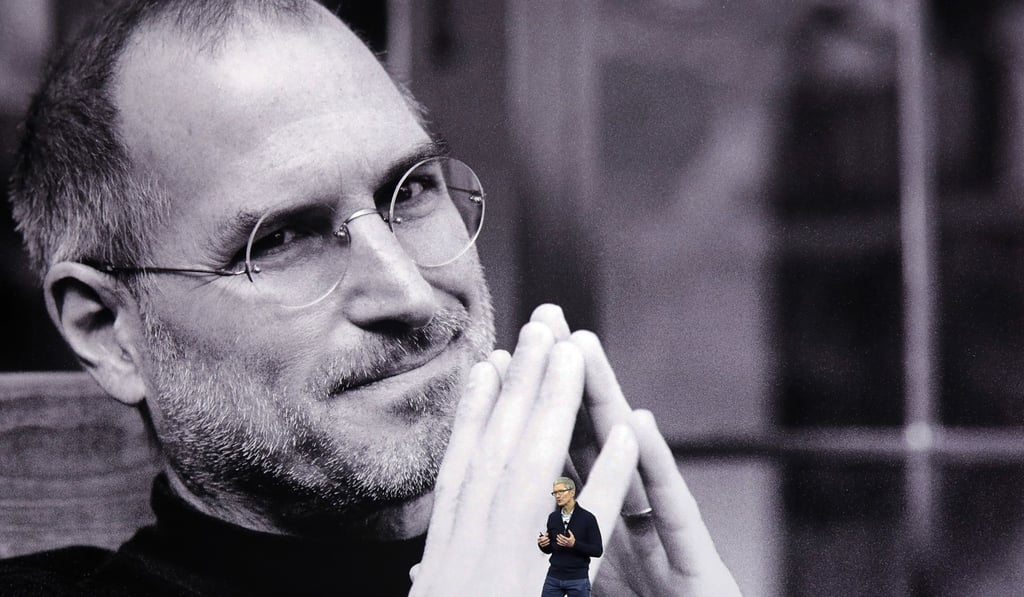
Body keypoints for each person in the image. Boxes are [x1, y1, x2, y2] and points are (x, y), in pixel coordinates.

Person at [0, 1, 742, 595]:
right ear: (107, 329)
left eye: (410, 190)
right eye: (282, 238)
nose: (409, 293)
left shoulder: (598, 572)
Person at [537, 477, 602, 597]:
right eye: (555, 493)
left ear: (572, 492)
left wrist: (574, 544)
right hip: (553, 578)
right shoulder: (553, 517)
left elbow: (598, 551)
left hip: (578, 580)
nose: (557, 496)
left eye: (561, 492)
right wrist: (543, 544)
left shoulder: (588, 518)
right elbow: (551, 549)